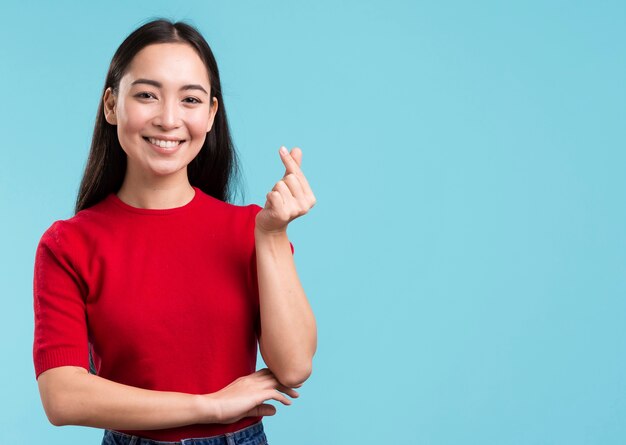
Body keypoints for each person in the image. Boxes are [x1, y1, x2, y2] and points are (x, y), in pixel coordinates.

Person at [32, 18, 317, 445]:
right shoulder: (68, 244)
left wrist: (273, 234)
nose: (168, 119)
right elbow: (62, 396)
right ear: (111, 105)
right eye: (147, 95)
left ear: (210, 114)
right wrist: (210, 405)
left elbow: (293, 367)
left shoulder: (250, 230)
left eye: (190, 99)